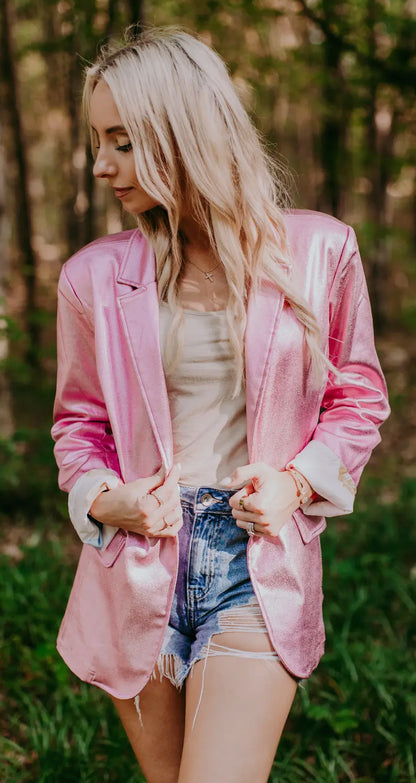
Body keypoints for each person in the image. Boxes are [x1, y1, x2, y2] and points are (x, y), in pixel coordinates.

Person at [51, 26, 389, 783]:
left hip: (252, 558)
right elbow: (79, 424)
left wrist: (295, 483)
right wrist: (109, 498)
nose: (101, 164)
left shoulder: (319, 251)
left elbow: (358, 396)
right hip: (136, 565)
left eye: (123, 141)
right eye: (95, 141)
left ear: (184, 132)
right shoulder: (93, 276)